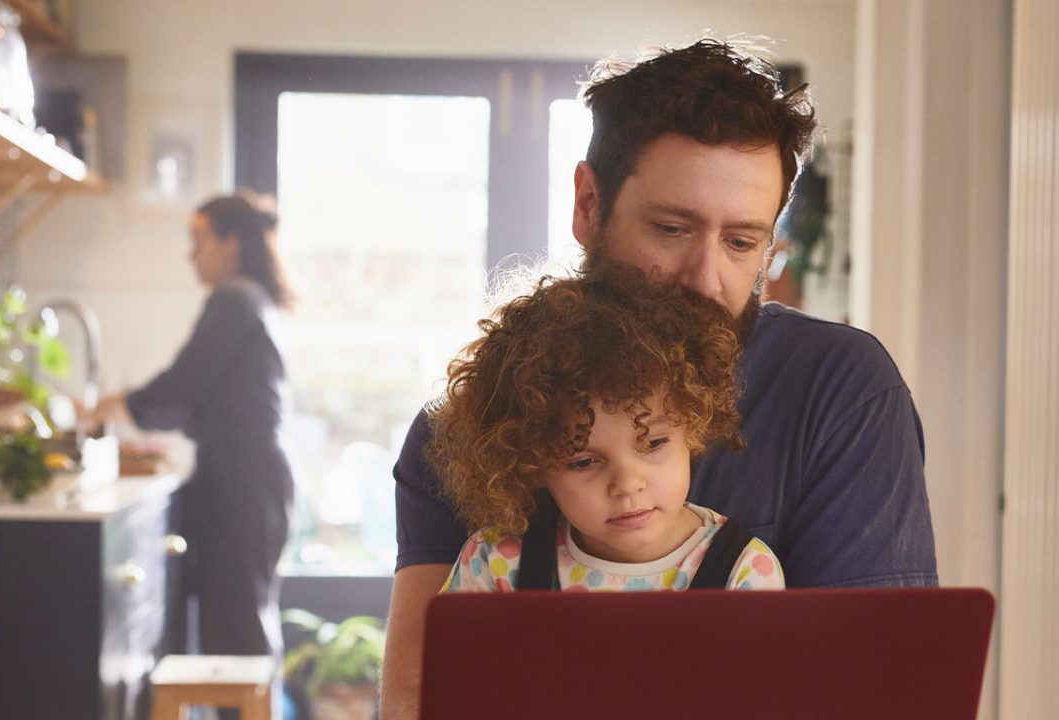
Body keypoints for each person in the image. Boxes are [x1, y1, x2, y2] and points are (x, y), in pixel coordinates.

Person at [380, 39, 937, 719]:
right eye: (672, 229)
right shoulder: (470, 423)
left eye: (741, 242)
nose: (706, 281)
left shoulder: (842, 390)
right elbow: (418, 698)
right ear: (588, 204)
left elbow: (873, 693)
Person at [431, 265, 784, 593]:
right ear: (531, 465)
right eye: (582, 462)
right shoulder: (497, 564)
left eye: (654, 442)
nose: (628, 484)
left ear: (693, 427)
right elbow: (453, 661)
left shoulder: (745, 570)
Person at [86, 190, 294, 718]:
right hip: (252, 478)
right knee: (244, 622)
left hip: (242, 483)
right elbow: (198, 396)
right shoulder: (250, 299)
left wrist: (115, 405)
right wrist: (133, 409)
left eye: (197, 241)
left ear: (229, 244)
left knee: (238, 628)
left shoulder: (233, 299)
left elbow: (185, 384)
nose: (191, 255)